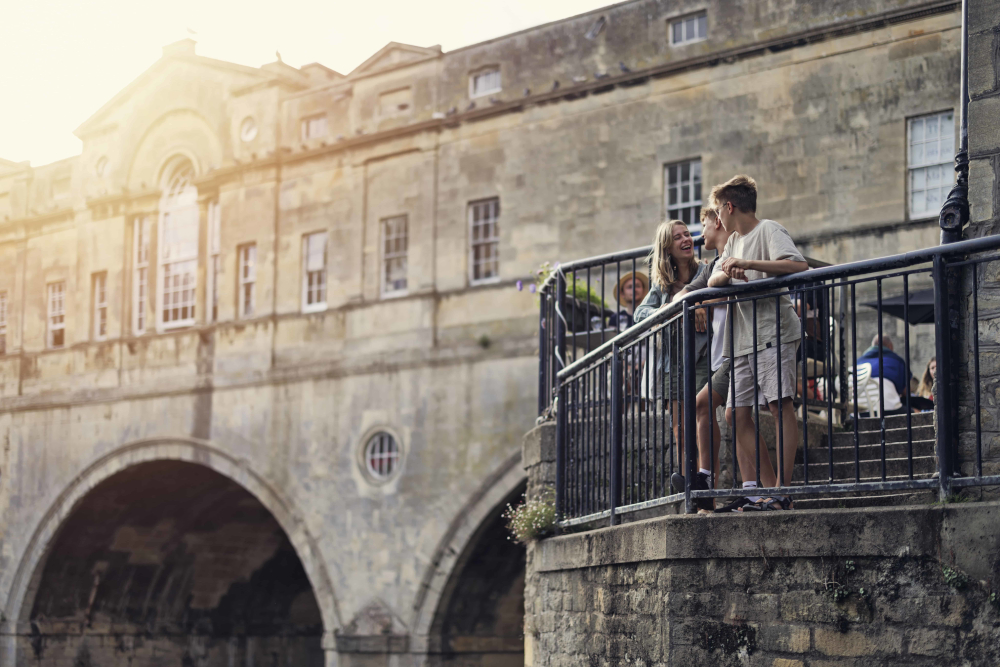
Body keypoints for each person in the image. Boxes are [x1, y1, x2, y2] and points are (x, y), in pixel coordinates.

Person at [707, 175, 809, 512]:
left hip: (772, 332)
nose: (716, 216)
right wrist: (730, 271)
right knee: (735, 415)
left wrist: (748, 265)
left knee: (780, 406)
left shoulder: (769, 230)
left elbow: (797, 264)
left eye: (717, 209)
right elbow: (714, 277)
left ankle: (782, 490)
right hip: (743, 340)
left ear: (729, 206)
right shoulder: (733, 241)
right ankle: (764, 489)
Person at [667, 206, 736, 512]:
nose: (694, 236)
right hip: (720, 354)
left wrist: (703, 300)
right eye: (679, 236)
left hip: (733, 350)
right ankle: (755, 487)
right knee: (734, 416)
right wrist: (694, 303)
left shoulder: (722, 261)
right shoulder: (710, 269)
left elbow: (734, 292)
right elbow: (674, 299)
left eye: (698, 229)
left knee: (720, 411)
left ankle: (708, 480)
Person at [633, 220, 710, 469]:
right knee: (679, 428)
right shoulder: (663, 284)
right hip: (672, 361)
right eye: (678, 237)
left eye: (687, 234)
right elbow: (640, 314)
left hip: (701, 357)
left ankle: (705, 480)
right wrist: (665, 310)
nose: (686, 239)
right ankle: (687, 481)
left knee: (701, 419)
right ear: (667, 247)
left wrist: (697, 304)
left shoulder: (705, 272)